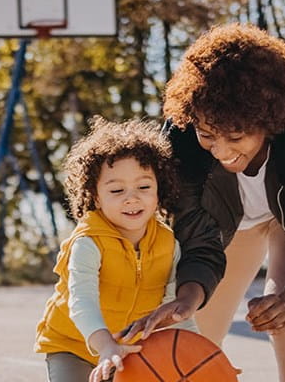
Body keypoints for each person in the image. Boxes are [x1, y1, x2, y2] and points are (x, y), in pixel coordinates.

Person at [119, 23, 285, 382]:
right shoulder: (181, 142)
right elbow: (194, 233)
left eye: (236, 136)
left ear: (269, 121)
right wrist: (188, 295)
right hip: (226, 227)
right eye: (208, 135)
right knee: (194, 331)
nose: (221, 151)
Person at [34, 119, 197, 382]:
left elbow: (173, 310)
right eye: (117, 190)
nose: (131, 198)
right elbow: (81, 302)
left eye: (144, 187)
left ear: (159, 189)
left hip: (127, 346)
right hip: (72, 345)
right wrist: (105, 345)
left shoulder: (168, 244)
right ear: (95, 196)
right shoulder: (88, 242)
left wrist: (203, 358)